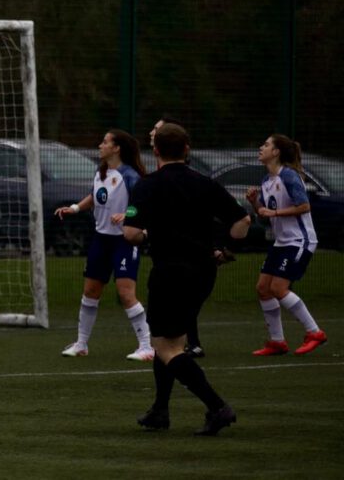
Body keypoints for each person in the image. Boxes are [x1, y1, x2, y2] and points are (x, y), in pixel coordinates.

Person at [124, 123, 251, 435]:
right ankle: (160, 411)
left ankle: (217, 407)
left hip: (170, 271)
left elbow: (130, 234)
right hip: (203, 272)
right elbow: (242, 221)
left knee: (166, 348)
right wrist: (226, 251)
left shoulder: (148, 185)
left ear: (155, 151)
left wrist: (148, 233)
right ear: (187, 150)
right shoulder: (204, 183)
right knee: (171, 340)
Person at [54, 130, 153, 361]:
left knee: (126, 293)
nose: (100, 145)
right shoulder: (101, 173)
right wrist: (75, 208)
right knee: (90, 291)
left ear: (117, 148)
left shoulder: (130, 176)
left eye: (105, 142)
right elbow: (94, 196)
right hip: (101, 239)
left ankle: (147, 346)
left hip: (124, 241)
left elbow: (142, 204)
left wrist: (126, 215)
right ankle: (81, 344)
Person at [149, 116, 233, 358]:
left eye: (158, 130)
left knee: (179, 305)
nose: (152, 133)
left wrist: (220, 247)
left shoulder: (191, 180)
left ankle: (188, 346)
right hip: (169, 254)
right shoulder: (154, 176)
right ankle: (180, 347)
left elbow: (219, 218)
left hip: (188, 257)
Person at [245, 134, 327, 356]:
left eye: (266, 145)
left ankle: (314, 332)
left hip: (299, 240)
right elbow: (266, 217)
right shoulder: (266, 181)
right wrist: (255, 203)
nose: (261, 147)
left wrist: (274, 212)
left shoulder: (289, 176)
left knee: (278, 289)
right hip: (282, 242)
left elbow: (304, 206)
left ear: (276, 152)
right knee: (263, 289)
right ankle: (277, 341)